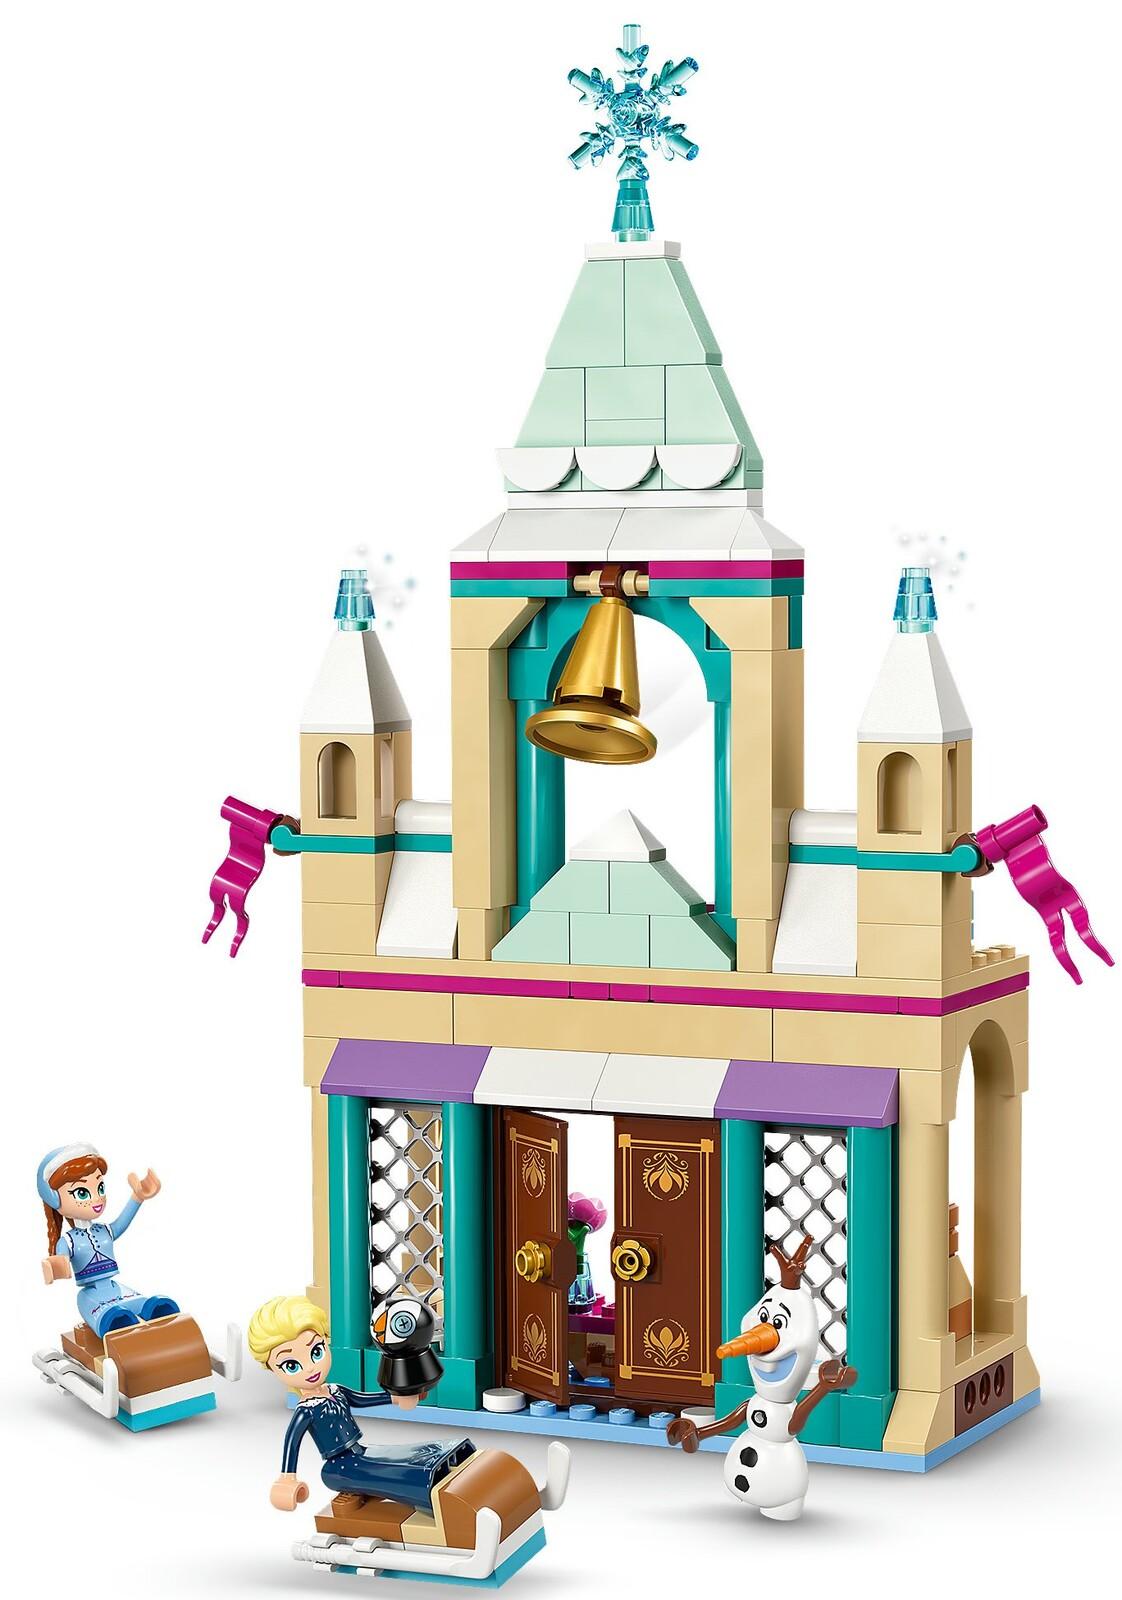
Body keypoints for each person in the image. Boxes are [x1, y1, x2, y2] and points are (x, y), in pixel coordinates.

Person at [249, 1294, 474, 1516]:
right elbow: (292, 1441)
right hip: (341, 1468)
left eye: (316, 1352)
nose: (310, 1368)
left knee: (414, 1453)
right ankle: (432, 1497)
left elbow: (361, 1399)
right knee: (402, 1469)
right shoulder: (306, 1410)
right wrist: (287, 1478)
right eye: (291, 1365)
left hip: (361, 1451)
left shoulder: (334, 1389)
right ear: (272, 1369)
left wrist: (395, 1398)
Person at [38, 1142, 179, 1336]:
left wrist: (138, 1197)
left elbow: (122, 1222)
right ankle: (116, 1329)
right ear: (54, 1199)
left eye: (100, 1188)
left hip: (117, 1289)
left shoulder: (104, 1230)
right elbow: (59, 1262)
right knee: (110, 1317)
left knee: (149, 1305)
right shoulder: (68, 1241)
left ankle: (158, 1323)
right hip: (90, 1296)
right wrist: (54, 1267)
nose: (97, 1199)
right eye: (82, 1193)